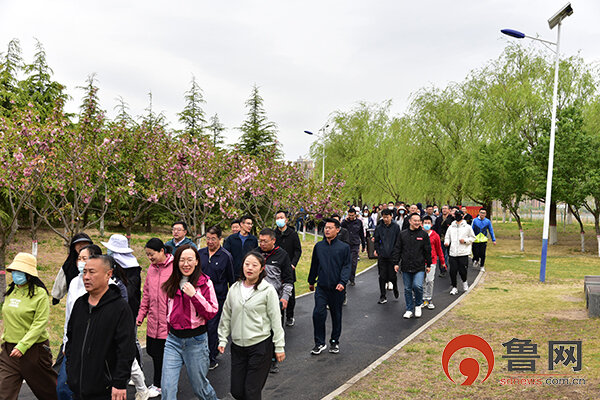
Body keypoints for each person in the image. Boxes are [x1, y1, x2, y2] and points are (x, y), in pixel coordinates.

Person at [66, 254, 136, 400]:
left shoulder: (119, 308)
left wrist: (119, 382)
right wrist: (70, 369)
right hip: (78, 387)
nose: (86, 277)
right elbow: (71, 338)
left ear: (108, 274)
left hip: (105, 390)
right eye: (84, 272)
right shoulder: (80, 304)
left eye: (92, 272)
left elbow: (126, 349)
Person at [218, 252, 286, 400]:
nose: (249, 268)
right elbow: (226, 315)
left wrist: (279, 347)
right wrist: (222, 339)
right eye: (246, 264)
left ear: (261, 269)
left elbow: (276, 320)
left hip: (260, 346)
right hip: (237, 347)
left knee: (251, 391)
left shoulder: (268, 290)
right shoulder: (235, 288)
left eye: (254, 265)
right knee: (237, 391)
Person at [161, 245, 218, 400]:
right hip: (173, 341)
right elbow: (167, 312)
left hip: (196, 342)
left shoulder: (205, 283)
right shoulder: (171, 282)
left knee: (200, 388)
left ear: (196, 261)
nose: (185, 264)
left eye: (189, 260)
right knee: (167, 389)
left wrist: (195, 295)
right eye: (181, 260)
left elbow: (212, 312)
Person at [0, 253, 57, 400]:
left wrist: (23, 346)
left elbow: (40, 323)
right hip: (9, 351)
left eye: (20, 271)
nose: (15, 274)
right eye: (14, 271)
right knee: (4, 392)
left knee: (49, 392)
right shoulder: (11, 291)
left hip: (34, 351)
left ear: (29, 274)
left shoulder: (40, 294)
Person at [58, 244, 102, 400]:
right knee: (63, 387)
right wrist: (65, 342)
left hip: (94, 346)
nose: (80, 262)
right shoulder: (74, 283)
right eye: (79, 259)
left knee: (88, 390)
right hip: (73, 344)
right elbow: (68, 316)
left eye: (85, 258)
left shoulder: (105, 286)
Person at [136, 238, 174, 396]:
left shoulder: (174, 268)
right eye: (147, 255)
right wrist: (140, 316)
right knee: (153, 352)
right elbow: (146, 295)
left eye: (152, 254)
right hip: (153, 320)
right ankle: (161, 383)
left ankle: (161, 385)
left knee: (165, 356)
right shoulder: (151, 269)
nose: (150, 258)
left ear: (162, 251)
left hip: (168, 322)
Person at [308, 218, 351, 355]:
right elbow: (314, 264)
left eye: (330, 228)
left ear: (337, 230)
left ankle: (334, 341)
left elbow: (347, 266)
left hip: (337, 288)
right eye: (326, 227)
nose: (327, 230)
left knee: (336, 315)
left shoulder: (344, 248)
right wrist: (311, 281)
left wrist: (342, 282)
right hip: (321, 287)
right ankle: (319, 343)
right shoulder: (319, 247)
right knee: (318, 313)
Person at [198, 226, 235, 370]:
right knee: (201, 326)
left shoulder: (226, 256)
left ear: (220, 239)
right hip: (201, 297)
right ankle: (201, 354)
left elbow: (232, 280)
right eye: (207, 238)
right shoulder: (200, 254)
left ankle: (211, 357)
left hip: (218, 298)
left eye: (213, 239)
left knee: (212, 328)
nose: (210, 241)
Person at [258, 228, 294, 373]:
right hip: (257, 299)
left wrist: (285, 298)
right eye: (260, 241)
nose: (262, 244)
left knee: (275, 330)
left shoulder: (282, 255)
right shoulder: (255, 253)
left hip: (275, 299)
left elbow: (288, 279)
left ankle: (273, 359)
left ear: (273, 240)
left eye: (265, 241)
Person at [392, 213, 432, 319]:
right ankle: (409, 309)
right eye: (415, 220)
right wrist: (396, 263)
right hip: (406, 266)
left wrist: (429, 264)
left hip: (419, 266)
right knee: (407, 289)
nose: (417, 223)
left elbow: (427, 250)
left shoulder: (423, 235)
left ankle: (418, 304)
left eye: (419, 221)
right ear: (410, 221)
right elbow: (398, 249)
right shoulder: (403, 234)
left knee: (417, 286)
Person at [274, 210, 302, 327]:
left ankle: (290, 316)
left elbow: (297, 250)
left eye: (281, 217)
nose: (279, 220)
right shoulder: (274, 234)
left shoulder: (292, 234)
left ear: (286, 220)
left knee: (289, 294)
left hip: (289, 267)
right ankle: (279, 315)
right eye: (277, 218)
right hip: (276, 267)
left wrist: (293, 264)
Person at [51, 233, 93, 305]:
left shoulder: (97, 261)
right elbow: (61, 279)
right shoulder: (69, 264)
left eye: (84, 243)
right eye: (78, 243)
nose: (81, 246)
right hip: (74, 300)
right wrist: (56, 296)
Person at [444, 210, 476, 295]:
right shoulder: (451, 227)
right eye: (456, 215)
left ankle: (465, 283)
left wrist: (465, 241)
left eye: (459, 215)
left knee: (462, 270)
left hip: (463, 252)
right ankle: (454, 287)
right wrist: (446, 242)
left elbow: (473, 238)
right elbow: (447, 237)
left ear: (462, 216)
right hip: (453, 252)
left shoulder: (467, 227)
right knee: (452, 271)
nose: (457, 217)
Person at [373, 208, 400, 304]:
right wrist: (378, 250)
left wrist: (397, 253)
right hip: (382, 255)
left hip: (393, 255)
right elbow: (376, 240)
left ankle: (395, 287)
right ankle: (382, 295)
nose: (385, 219)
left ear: (391, 217)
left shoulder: (396, 227)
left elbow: (398, 241)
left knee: (392, 276)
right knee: (382, 276)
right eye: (384, 217)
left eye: (387, 217)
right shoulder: (379, 227)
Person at [224, 215, 259, 279]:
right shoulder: (231, 239)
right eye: (248, 224)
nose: (250, 226)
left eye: (251, 224)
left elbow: (256, 255)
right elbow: (226, 255)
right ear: (241, 224)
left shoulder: (253, 239)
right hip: (234, 272)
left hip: (248, 272)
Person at [422, 216, 445, 310]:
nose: (427, 225)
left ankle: (429, 298)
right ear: (422, 224)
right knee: (421, 281)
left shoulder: (435, 236)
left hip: (432, 261)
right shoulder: (420, 234)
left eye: (428, 223)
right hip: (420, 261)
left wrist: (443, 262)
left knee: (430, 280)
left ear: (431, 224)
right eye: (425, 223)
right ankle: (423, 298)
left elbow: (439, 249)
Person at [341, 208, 366, 286]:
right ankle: (345, 277)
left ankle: (352, 278)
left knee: (353, 262)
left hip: (355, 244)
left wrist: (363, 244)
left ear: (355, 214)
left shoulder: (359, 222)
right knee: (345, 262)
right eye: (349, 215)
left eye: (352, 215)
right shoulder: (344, 222)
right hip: (346, 244)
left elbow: (361, 233)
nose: (351, 217)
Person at [434, 205, 454, 277]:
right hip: (441, 239)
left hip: (450, 240)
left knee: (450, 255)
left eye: (446, 209)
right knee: (441, 255)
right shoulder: (438, 219)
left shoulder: (452, 219)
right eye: (443, 209)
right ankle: (442, 270)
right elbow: (435, 228)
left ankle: (452, 269)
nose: (444, 210)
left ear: (449, 210)